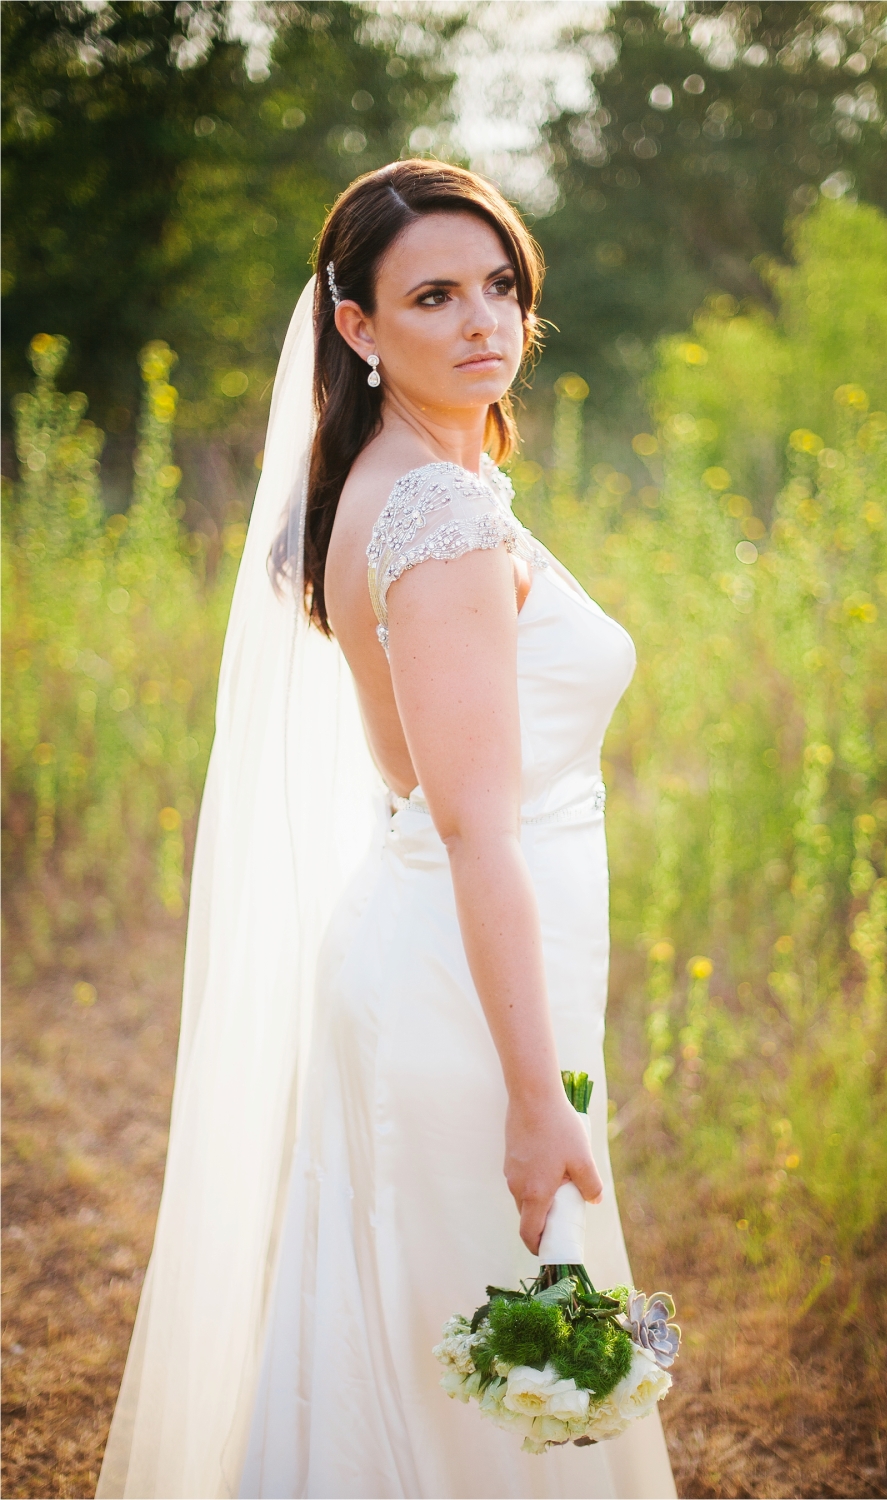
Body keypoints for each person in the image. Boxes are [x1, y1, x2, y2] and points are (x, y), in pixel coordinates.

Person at [97, 160, 676, 1500]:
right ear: (357, 326)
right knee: (483, 1372)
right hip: (461, 996)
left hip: (434, 956)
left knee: (414, 1350)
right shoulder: (441, 516)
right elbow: (476, 828)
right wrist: (537, 1102)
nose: (483, 321)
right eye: (433, 295)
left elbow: (412, 776)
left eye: (500, 287)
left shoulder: (391, 482)